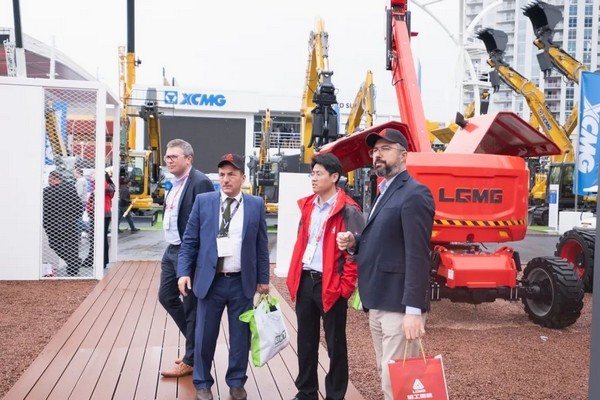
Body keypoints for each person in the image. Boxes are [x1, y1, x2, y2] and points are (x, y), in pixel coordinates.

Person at [336, 128, 435, 400]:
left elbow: (418, 254)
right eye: (375, 150)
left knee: (398, 381)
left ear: (403, 156)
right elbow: (384, 239)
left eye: (385, 149)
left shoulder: (415, 193)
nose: (377, 155)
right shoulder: (384, 190)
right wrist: (355, 241)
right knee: (386, 373)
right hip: (378, 301)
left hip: (399, 306)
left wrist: (413, 311)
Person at [177, 153, 270, 400]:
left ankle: (236, 382)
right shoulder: (204, 202)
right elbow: (189, 241)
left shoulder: (255, 205)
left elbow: (261, 246)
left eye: (231, 174)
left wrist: (264, 279)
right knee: (204, 336)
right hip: (211, 282)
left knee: (240, 337)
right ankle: (202, 382)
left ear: (243, 178)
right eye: (222, 174)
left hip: (242, 282)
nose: (226, 179)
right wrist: (183, 272)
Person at [286, 153, 365, 400]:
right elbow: (302, 242)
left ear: (334, 177)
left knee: (335, 344)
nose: (313, 178)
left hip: (331, 284)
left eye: (319, 174)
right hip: (306, 281)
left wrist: (345, 287)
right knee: (306, 341)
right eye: (312, 173)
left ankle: (335, 395)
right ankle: (306, 391)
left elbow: (356, 252)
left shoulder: (348, 210)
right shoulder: (309, 206)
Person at [158, 139, 215, 378]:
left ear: (188, 159)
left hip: (188, 251)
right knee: (166, 297)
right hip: (172, 249)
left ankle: (192, 358)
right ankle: (196, 346)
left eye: (174, 156)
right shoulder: (174, 183)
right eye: (167, 157)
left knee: (191, 306)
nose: (169, 160)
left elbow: (208, 221)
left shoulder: (200, 182)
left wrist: (196, 256)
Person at [43, 170, 84, 277]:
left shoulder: (46, 192)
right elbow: (79, 206)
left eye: (50, 179)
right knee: (72, 245)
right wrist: (74, 218)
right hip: (70, 223)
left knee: (55, 244)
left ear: (54, 179)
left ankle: (73, 262)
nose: (49, 182)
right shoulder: (70, 188)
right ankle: (73, 268)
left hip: (54, 225)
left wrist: (46, 224)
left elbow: (45, 210)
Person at [82, 171, 115, 269]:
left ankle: (102, 261)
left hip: (104, 215)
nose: (93, 176)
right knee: (94, 238)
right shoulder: (98, 186)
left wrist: (101, 178)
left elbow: (106, 189)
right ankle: (92, 259)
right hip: (95, 214)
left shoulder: (109, 186)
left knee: (102, 238)